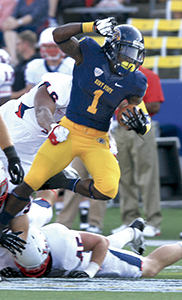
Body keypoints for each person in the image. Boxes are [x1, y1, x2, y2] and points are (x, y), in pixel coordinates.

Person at [0, 18, 151, 238]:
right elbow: (43, 109)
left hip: (87, 137)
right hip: (32, 132)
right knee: (27, 184)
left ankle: (62, 183)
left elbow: (134, 109)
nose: (129, 58)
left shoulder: (135, 81)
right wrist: (91, 26)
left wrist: (140, 124)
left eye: (133, 53)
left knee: (107, 188)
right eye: (125, 51)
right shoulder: (71, 75)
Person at [2, 217, 182, 280]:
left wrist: (91, 270)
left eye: (38, 268)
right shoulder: (8, 250)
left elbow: (100, 243)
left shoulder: (62, 242)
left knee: (149, 267)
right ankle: (133, 232)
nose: (35, 272)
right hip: (72, 259)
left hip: (86, 259)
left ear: (46, 250)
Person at [111, 65, 165, 237]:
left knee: (146, 175)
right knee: (123, 175)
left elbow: (155, 106)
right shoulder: (114, 75)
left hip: (141, 127)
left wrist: (128, 107)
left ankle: (153, 221)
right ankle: (129, 220)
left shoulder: (149, 75)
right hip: (119, 129)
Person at [16, 26, 75, 98]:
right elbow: (29, 92)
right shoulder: (34, 66)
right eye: (48, 47)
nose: (52, 50)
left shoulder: (72, 64)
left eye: (55, 47)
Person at [2, 0, 49, 66]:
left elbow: (33, 16)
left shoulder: (42, 1)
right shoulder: (22, 1)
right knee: (8, 32)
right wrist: (8, 23)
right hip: (21, 26)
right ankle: (13, 59)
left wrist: (17, 23)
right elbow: (14, 14)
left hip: (36, 26)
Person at [11, 30, 40, 99]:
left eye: (18, 44)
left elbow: (32, 88)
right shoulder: (21, 63)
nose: (17, 47)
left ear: (25, 44)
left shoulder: (38, 62)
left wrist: (11, 96)